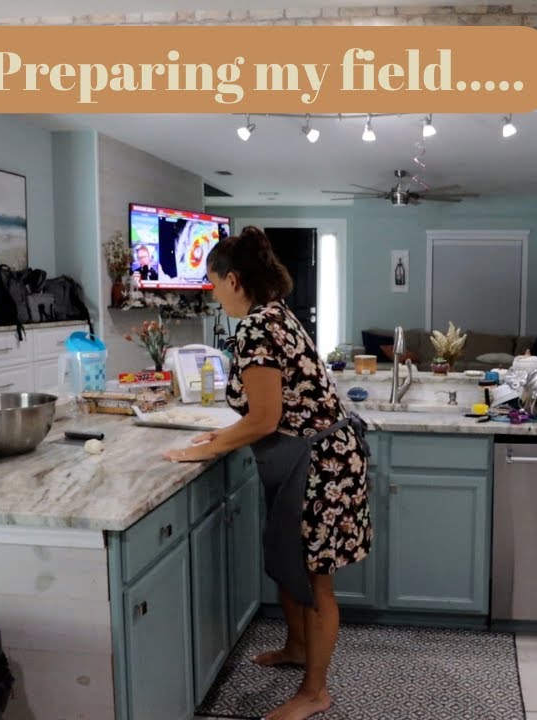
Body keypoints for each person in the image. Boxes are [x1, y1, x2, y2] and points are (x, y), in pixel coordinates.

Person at [164, 226, 370, 720]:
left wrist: (205, 449)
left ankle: (315, 693)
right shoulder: (276, 315)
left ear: (233, 280)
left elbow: (264, 419)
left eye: (213, 284)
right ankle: (297, 649)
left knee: (316, 578)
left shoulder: (257, 327)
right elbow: (268, 409)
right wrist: (214, 440)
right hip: (313, 458)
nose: (213, 295)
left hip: (321, 466)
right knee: (288, 559)